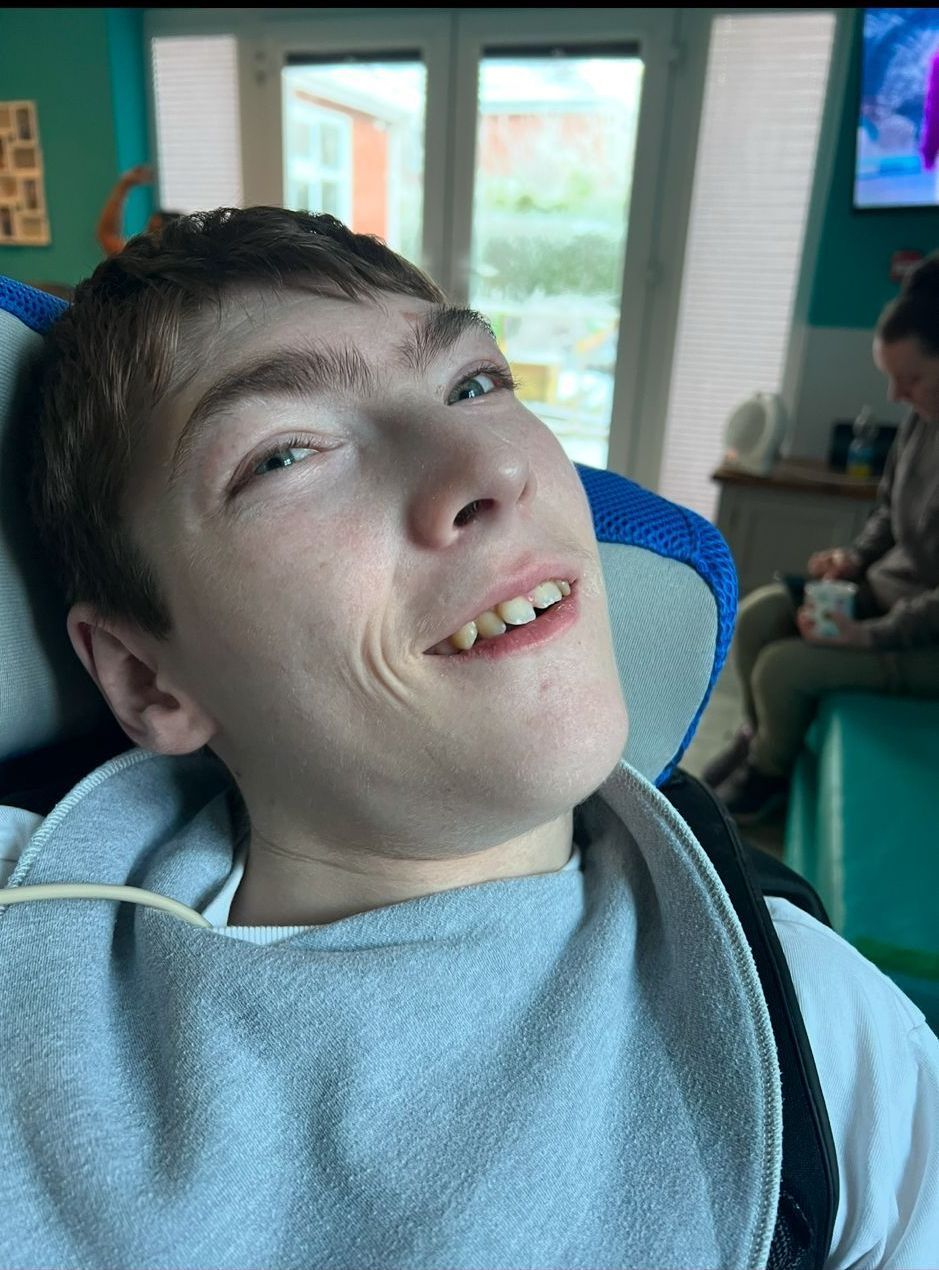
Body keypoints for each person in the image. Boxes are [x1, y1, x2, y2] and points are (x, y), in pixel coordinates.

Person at [1, 208, 937, 1267]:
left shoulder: (817, 1036)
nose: (485, 469)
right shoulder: (31, 934)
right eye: (286, 453)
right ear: (143, 673)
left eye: (475, 384)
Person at [705, 254, 939, 822]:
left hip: (924, 636)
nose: (896, 395)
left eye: (910, 379)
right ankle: (762, 735)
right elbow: (888, 513)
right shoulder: (921, 421)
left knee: (785, 668)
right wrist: (852, 560)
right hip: (886, 596)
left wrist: (869, 637)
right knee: (760, 615)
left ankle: (769, 777)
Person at [95, 164, 182, 256]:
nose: (147, 237)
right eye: (149, 231)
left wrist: (124, 186)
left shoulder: (142, 262)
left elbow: (107, 234)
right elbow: (107, 234)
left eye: (154, 232)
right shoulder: (141, 259)